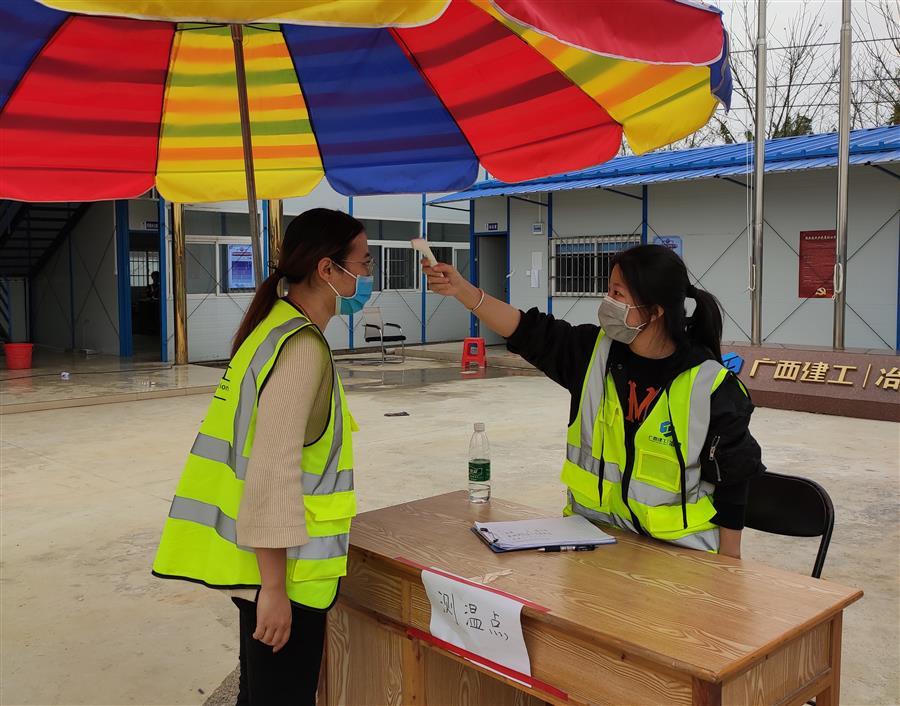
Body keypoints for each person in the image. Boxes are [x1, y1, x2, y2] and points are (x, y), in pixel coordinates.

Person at [153, 208, 374, 705]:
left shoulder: (270, 325)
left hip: (256, 564)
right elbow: (272, 472)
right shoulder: (299, 347)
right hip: (285, 575)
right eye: (362, 262)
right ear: (326, 269)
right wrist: (273, 590)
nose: (366, 275)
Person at [424, 244, 764, 558]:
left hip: (679, 554)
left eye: (617, 293)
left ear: (655, 311)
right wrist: (463, 291)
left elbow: (734, 480)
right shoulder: (592, 354)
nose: (607, 302)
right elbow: (525, 330)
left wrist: (730, 566)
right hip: (593, 543)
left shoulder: (710, 385)